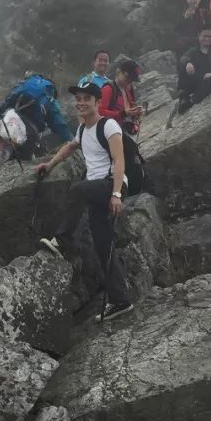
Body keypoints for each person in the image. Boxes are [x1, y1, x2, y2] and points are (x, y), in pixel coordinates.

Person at [37, 83, 134, 322]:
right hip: (97, 190)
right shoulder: (83, 129)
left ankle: (62, 238)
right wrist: (49, 165)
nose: (81, 103)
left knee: (77, 189)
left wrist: (117, 194)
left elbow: (119, 160)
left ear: (97, 101)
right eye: (78, 99)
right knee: (103, 246)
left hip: (111, 185)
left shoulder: (108, 125)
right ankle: (121, 300)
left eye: (86, 98)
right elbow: (70, 147)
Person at [0, 74, 72, 202]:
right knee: (18, 177)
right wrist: (74, 142)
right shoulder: (50, 100)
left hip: (6, 126)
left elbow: (5, 103)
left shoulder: (25, 86)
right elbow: (60, 124)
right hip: (28, 137)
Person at [177, 27, 211, 111]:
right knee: (184, 68)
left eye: (210, 36)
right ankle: (183, 95)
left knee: (210, 81)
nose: (207, 39)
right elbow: (182, 60)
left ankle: (191, 101)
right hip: (198, 79)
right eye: (204, 36)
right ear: (199, 36)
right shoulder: (193, 50)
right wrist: (187, 64)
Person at [99, 58, 142, 136]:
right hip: (110, 133)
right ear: (119, 71)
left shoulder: (128, 89)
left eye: (132, 79)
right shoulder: (108, 89)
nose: (129, 80)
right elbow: (100, 112)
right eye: (127, 76)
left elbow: (131, 106)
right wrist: (122, 114)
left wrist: (135, 113)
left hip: (124, 131)